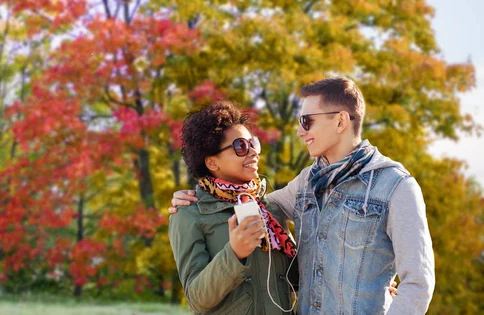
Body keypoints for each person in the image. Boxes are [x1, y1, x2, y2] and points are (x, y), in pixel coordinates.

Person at [170, 77, 434, 314]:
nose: (300, 131)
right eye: (241, 146)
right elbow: (256, 208)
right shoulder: (305, 183)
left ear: (341, 121)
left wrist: (377, 290)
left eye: (308, 121)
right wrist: (195, 196)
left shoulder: (396, 186)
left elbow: (418, 284)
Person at [170, 100, 298, 314]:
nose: (254, 152)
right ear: (212, 163)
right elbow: (196, 299)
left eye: (253, 144)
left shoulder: (270, 208)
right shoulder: (189, 213)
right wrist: (235, 253)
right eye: (241, 147)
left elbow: (297, 280)